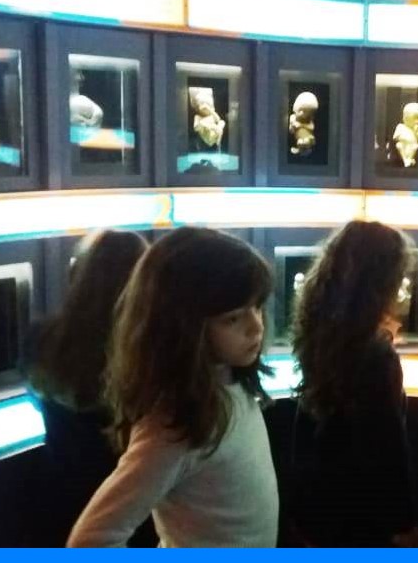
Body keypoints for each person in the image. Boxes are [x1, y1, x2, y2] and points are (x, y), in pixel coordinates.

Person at [67, 228, 279, 547]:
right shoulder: (173, 430)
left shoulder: (231, 381)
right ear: (184, 327)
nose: (256, 327)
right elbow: (92, 539)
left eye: (258, 307)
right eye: (233, 319)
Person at [288, 221, 418, 546]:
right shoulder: (376, 356)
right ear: (382, 284)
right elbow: (387, 448)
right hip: (359, 516)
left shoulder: (320, 330)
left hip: (315, 499)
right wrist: (403, 522)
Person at [26, 230, 149, 546]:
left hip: (59, 495)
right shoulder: (147, 350)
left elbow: (36, 392)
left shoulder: (41, 336)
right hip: (128, 509)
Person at [392, 102, 418, 168]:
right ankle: (405, 160)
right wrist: (400, 136)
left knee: (415, 146)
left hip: (412, 148)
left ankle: (409, 159)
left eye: (408, 118)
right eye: (404, 117)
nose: (404, 119)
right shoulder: (400, 126)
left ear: (417, 121)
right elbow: (394, 137)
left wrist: (417, 133)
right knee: (398, 145)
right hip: (403, 147)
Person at [289, 91, 318, 156]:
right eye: (300, 110)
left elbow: (311, 128)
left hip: (308, 137)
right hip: (299, 138)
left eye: (305, 112)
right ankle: (301, 149)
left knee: (306, 141)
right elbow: (291, 131)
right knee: (300, 142)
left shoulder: (309, 121)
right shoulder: (293, 118)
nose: (301, 113)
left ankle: (306, 149)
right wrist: (292, 126)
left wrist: (301, 125)